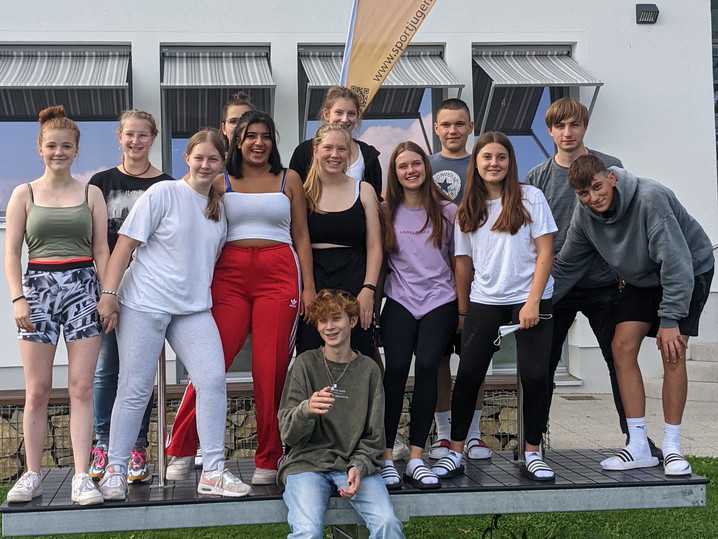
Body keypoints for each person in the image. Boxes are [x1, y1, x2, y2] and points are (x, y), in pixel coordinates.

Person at [96, 129, 251, 500]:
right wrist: (109, 295)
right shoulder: (163, 192)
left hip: (192, 309)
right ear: (187, 158)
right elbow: (124, 246)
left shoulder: (219, 208)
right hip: (144, 302)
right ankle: (115, 470)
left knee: (212, 380)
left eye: (213, 159)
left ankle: (213, 471)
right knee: (135, 387)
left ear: (222, 163)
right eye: (199, 157)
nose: (205, 165)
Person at [165, 112, 314, 486]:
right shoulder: (220, 181)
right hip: (229, 275)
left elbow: (301, 235)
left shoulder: (290, 179)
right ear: (237, 140)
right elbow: (190, 221)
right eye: (251, 136)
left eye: (266, 136)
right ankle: (182, 447)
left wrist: (308, 287)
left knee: (270, 370)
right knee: (210, 364)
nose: (258, 143)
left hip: (279, 274)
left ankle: (269, 457)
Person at [552, 155, 714, 476]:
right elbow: (567, 266)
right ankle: (638, 445)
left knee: (672, 351)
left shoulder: (650, 199)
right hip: (643, 279)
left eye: (597, 187)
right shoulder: (585, 216)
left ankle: (672, 447)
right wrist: (534, 303)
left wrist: (670, 320)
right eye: (584, 193)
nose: (593, 197)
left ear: (611, 179)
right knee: (621, 346)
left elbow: (676, 264)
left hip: (688, 271)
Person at [431, 132, 558, 482]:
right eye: (486, 157)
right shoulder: (467, 209)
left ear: (510, 161)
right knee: (469, 376)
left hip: (530, 299)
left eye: (501, 157)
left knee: (535, 376)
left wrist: (532, 301)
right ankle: (455, 452)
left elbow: (546, 251)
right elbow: (462, 263)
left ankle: (532, 453)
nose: (494, 163)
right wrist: (463, 310)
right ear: (476, 162)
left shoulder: (531, 197)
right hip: (485, 300)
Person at [5, 105, 109, 505]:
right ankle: (32, 474)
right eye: (51, 146)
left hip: (84, 290)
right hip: (38, 291)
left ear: (77, 150)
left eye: (66, 146)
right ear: (40, 148)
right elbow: (11, 253)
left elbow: (101, 250)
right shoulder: (24, 194)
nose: (59, 152)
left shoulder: (91, 193)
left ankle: (82, 476)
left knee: (82, 388)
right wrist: (18, 298)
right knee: (37, 390)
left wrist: (107, 295)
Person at [524, 97, 638, 454]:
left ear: (585, 127)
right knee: (543, 367)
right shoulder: (537, 178)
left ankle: (636, 439)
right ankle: (534, 442)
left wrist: (625, 268)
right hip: (555, 286)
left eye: (574, 124)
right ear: (549, 131)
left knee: (619, 361)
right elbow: (530, 237)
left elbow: (627, 223)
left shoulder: (611, 167)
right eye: (560, 126)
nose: (567, 132)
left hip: (604, 284)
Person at [88, 110, 173, 483]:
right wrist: (106, 288)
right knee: (107, 369)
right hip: (108, 289)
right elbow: (94, 240)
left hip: (149, 292)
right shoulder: (100, 183)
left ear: (153, 138)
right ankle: (104, 443)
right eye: (129, 135)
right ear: (119, 137)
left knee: (139, 372)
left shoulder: (167, 185)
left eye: (143, 135)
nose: (135, 141)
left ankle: (138, 445)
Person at [278, 289, 404, 539]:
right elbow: (287, 434)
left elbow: (375, 437)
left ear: (353, 321)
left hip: (351, 465)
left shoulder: (368, 371)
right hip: (306, 465)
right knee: (307, 532)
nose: (329, 327)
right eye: (323, 320)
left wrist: (359, 466)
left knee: (387, 524)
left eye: (336, 318)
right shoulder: (304, 364)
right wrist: (306, 409)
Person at [378, 142, 457, 491]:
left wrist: (463, 310)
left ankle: (415, 458)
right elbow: (379, 260)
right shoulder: (384, 211)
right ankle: (386, 458)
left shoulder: (447, 211)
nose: (410, 171)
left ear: (426, 167)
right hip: (400, 300)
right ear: (395, 173)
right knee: (395, 369)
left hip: (439, 300)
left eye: (416, 164)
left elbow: (458, 261)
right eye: (402, 166)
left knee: (428, 366)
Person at [428, 98, 491, 462]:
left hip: (480, 282)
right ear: (436, 128)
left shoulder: (483, 165)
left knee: (474, 360)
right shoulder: (423, 166)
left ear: (471, 127)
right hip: (434, 284)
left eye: (459, 124)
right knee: (437, 360)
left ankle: (474, 434)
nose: (453, 130)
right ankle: (443, 433)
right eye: (446, 124)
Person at [295, 123, 382, 358]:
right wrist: (307, 288)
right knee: (311, 352)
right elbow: (297, 241)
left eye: (342, 149)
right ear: (315, 151)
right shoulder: (301, 193)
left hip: (355, 278)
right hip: (313, 279)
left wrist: (368, 290)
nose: (335, 155)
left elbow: (375, 246)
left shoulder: (364, 190)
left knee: (358, 351)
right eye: (328, 148)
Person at [289, 86, 382, 198]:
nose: (345, 119)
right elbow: (294, 194)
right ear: (327, 114)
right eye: (339, 112)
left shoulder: (368, 155)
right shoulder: (304, 152)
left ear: (358, 116)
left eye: (351, 114)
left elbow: (375, 197)